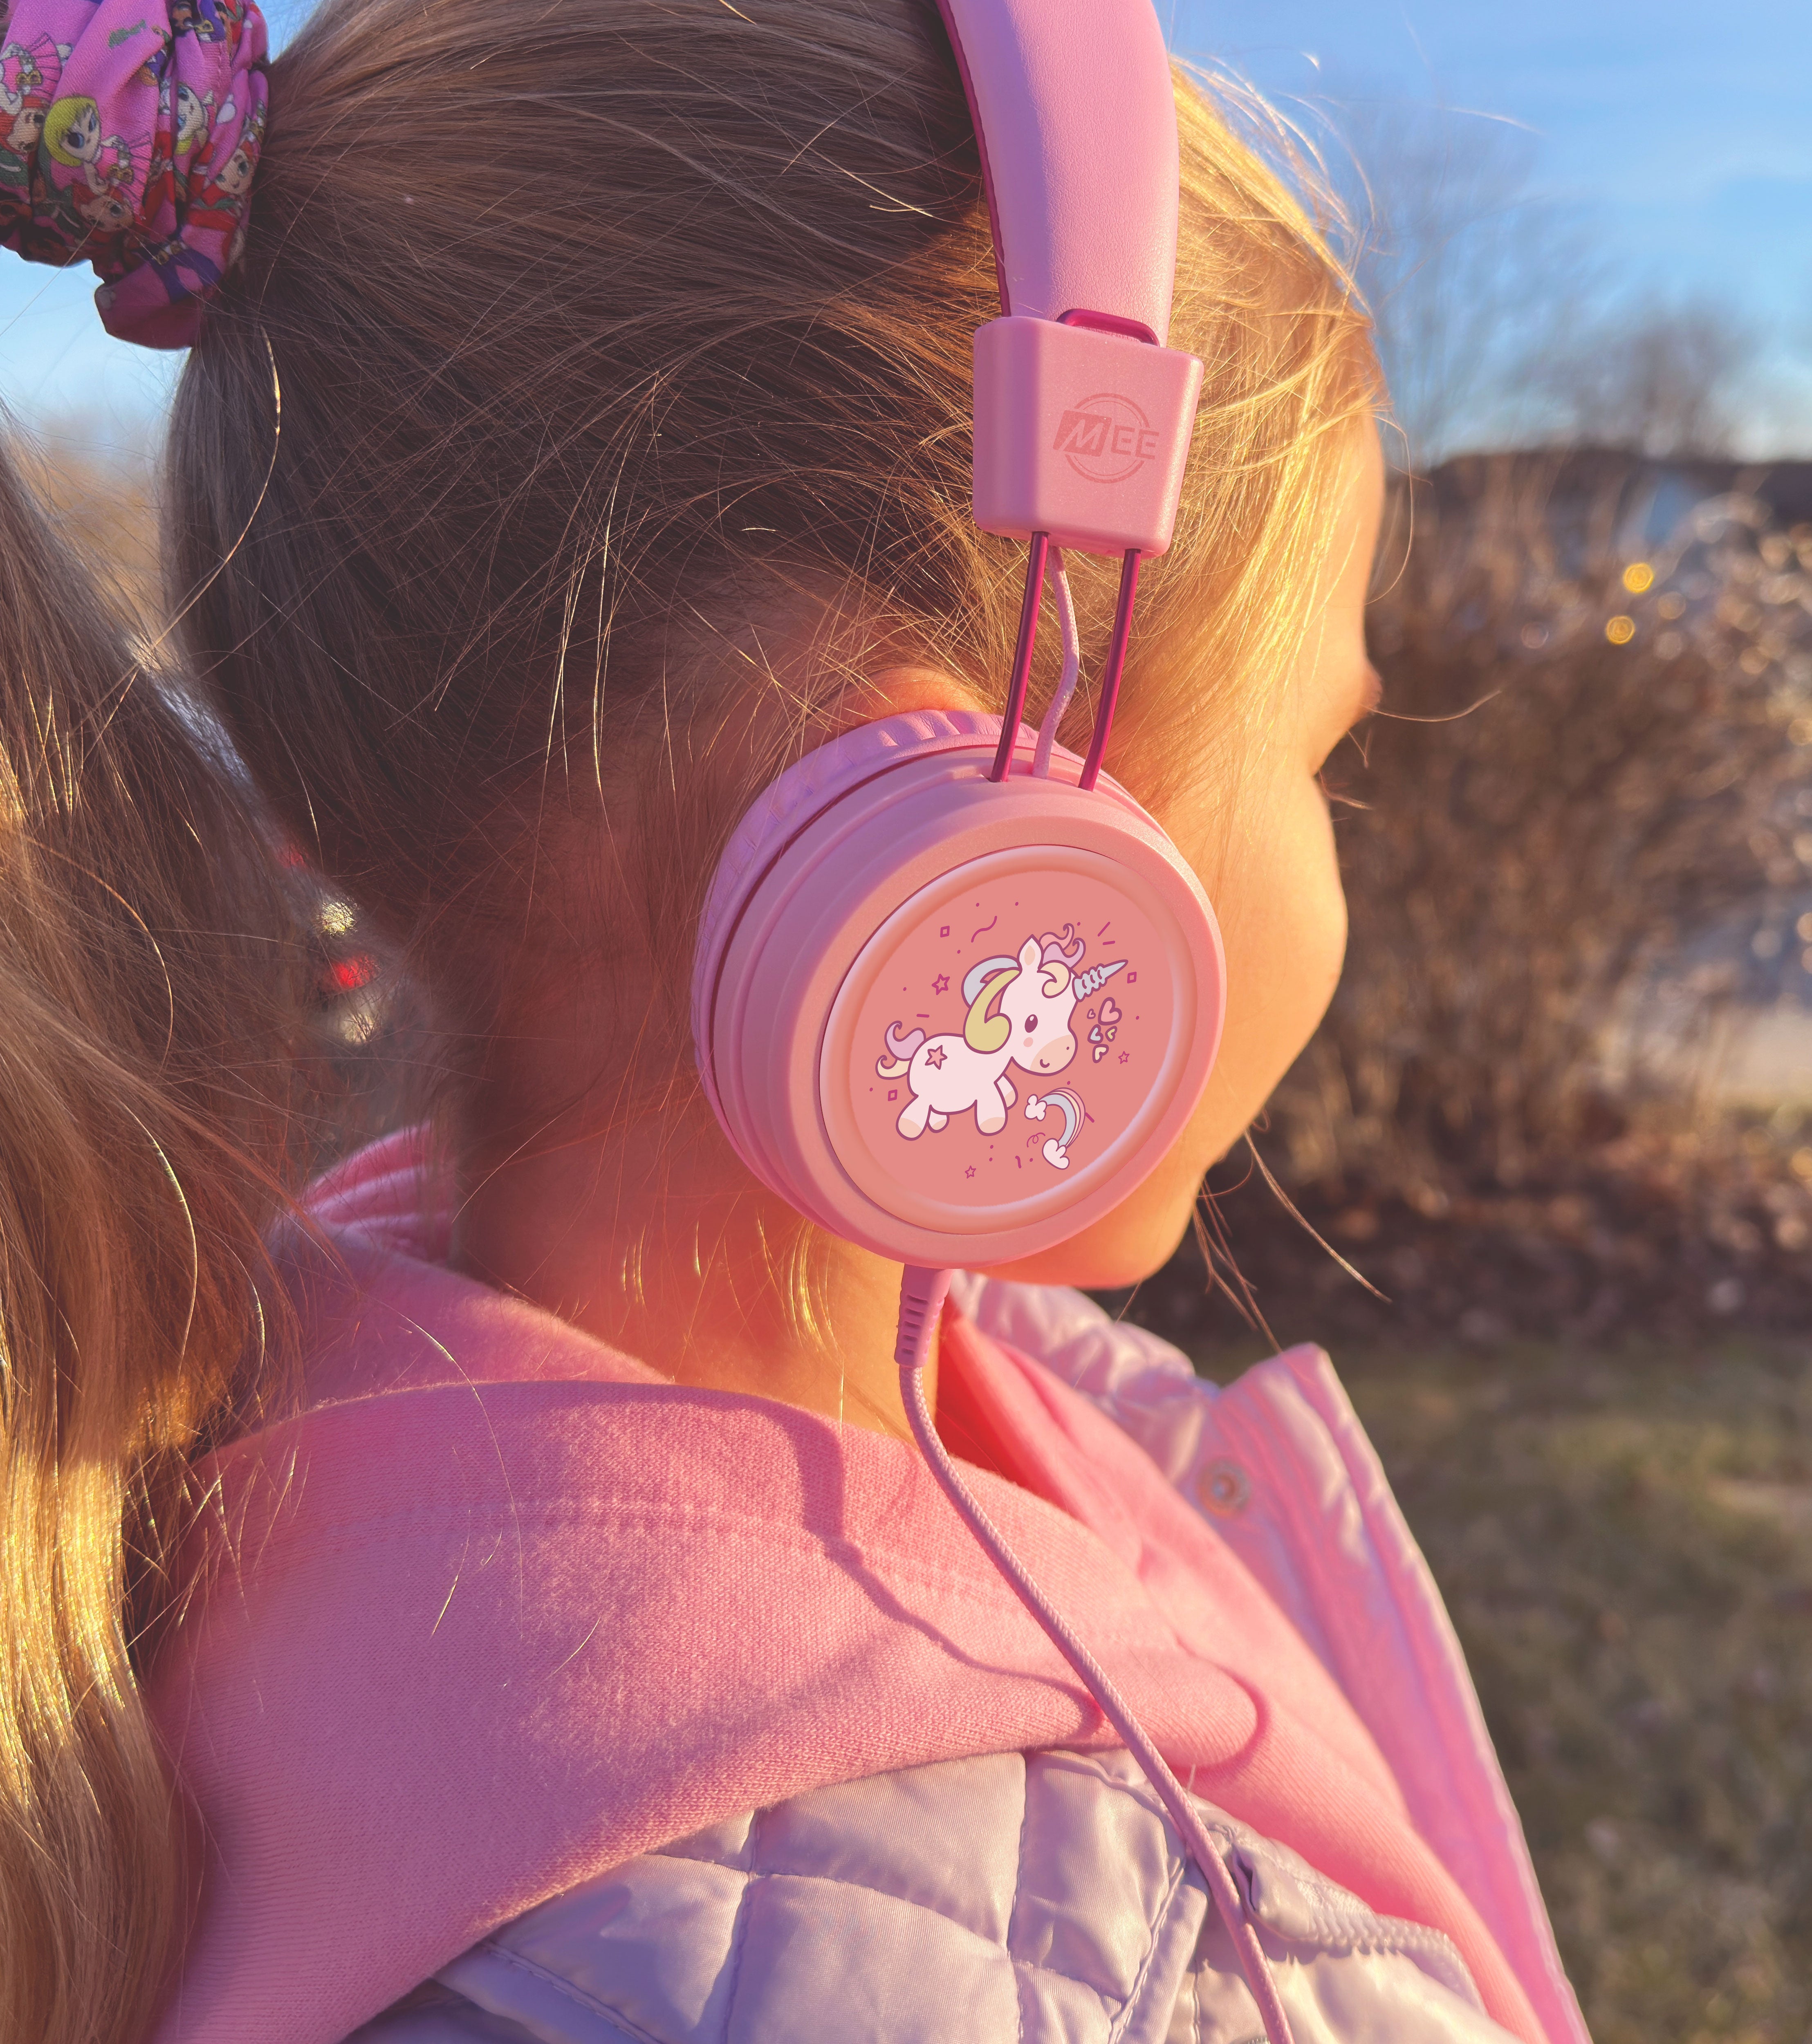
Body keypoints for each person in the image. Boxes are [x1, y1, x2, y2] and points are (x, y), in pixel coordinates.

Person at [0, 2, 1593, 2041]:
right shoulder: (1100, 1966)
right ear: (973, 839)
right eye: (1319, 752)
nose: (1340, 842)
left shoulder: (213, 1479)